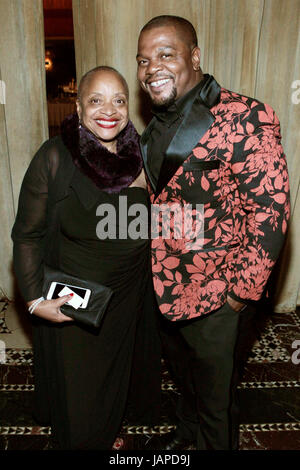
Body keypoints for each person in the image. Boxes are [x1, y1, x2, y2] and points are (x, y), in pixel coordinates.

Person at [136, 15, 290, 450]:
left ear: (195, 56)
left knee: (217, 402)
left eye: (166, 54)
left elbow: (271, 210)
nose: (152, 69)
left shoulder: (246, 115)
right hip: (167, 285)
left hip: (220, 290)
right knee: (188, 382)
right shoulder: (155, 123)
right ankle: (187, 434)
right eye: (144, 60)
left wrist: (241, 292)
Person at [11, 66, 161, 450]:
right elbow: (27, 234)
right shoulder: (55, 158)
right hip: (77, 294)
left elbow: (160, 217)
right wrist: (33, 299)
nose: (108, 110)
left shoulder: (142, 155)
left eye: (118, 100)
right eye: (96, 100)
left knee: (115, 372)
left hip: (129, 292)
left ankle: (106, 431)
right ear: (78, 108)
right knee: (81, 383)